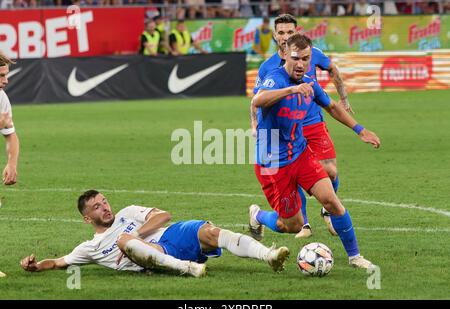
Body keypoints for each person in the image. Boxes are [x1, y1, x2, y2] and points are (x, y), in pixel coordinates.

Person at [250, 33, 380, 269]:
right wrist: (291, 90)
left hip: (300, 155)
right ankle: (257, 215)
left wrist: (360, 130)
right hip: (272, 164)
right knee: (292, 226)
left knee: (332, 201)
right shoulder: (275, 78)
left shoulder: (310, 83)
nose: (300, 64)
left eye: (306, 59)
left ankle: (355, 257)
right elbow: (259, 100)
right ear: (285, 56)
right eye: (296, 58)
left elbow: (331, 106)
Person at [21, 190, 290, 277]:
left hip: (169, 236)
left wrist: (136, 234)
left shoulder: (127, 213)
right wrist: (35, 266)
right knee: (123, 240)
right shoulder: (90, 247)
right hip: (157, 258)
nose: (104, 207)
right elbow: (58, 262)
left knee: (209, 231)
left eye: (104, 201)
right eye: (96, 207)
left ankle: (269, 255)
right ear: (86, 217)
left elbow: (163, 216)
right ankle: (187, 269)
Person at [250, 14, 353, 238]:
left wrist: (343, 98)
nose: (285, 36)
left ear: (297, 32)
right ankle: (303, 223)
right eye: (281, 33)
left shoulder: (312, 52)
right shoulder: (267, 67)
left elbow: (332, 70)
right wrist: (254, 124)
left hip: (312, 121)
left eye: (290, 32)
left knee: (331, 170)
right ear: (275, 35)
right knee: (293, 171)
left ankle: (328, 209)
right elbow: (257, 99)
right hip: (284, 129)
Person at [0, 54, 19, 186]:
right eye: (1, 75)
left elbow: (10, 135)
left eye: (6, 75)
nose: (6, 80)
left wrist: (11, 164)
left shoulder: (1, 98)